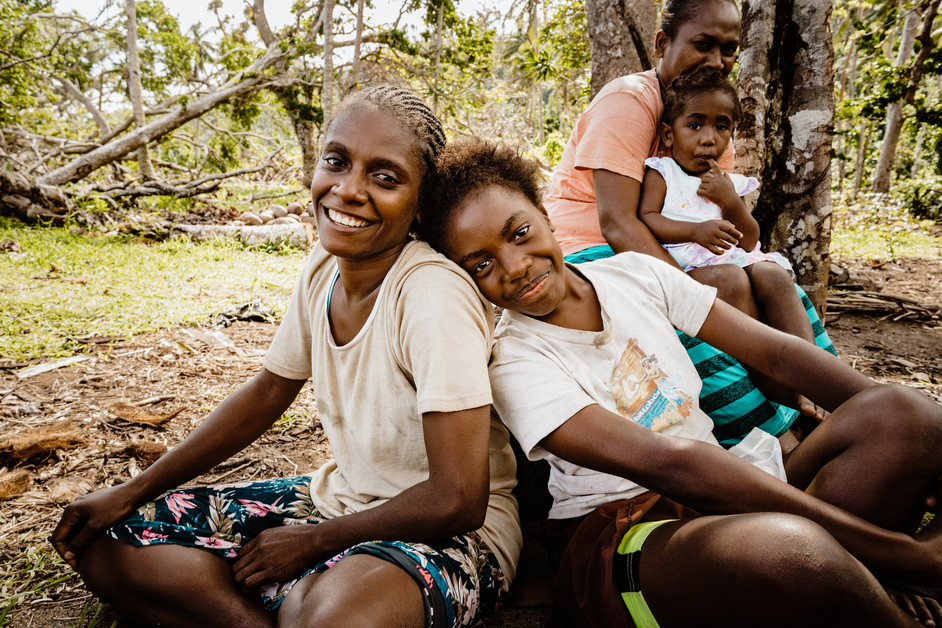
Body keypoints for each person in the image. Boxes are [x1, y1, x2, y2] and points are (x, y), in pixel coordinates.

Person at [417, 139, 942, 628]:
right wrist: (909, 552)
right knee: (792, 554)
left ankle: (862, 581)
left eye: (520, 232)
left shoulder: (633, 275)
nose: (514, 266)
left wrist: (927, 452)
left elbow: (776, 353)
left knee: (904, 416)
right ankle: (886, 578)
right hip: (627, 540)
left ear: (545, 215)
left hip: (729, 487)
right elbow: (670, 462)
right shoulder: (509, 358)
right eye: (481, 263)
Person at [50, 87, 522, 628]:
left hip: (454, 538)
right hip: (339, 502)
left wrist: (313, 543)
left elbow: (458, 499)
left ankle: (303, 601)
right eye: (337, 162)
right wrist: (131, 491)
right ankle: (277, 611)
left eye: (385, 177)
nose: (348, 190)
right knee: (107, 541)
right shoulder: (326, 264)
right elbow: (268, 392)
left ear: (420, 206)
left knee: (332, 619)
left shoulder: (430, 294)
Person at [543, 0, 834, 447]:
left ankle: (821, 399)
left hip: (680, 248)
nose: (717, 60)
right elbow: (620, 224)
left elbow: (728, 220)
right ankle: (775, 433)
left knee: (777, 284)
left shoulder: (711, 118)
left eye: (729, 49)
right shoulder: (630, 101)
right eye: (703, 44)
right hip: (596, 248)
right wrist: (688, 303)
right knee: (717, 299)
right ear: (663, 43)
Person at [639, 68, 820, 415]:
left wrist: (731, 202)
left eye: (721, 127)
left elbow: (750, 240)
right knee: (731, 279)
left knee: (773, 275)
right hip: (688, 262)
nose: (709, 139)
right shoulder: (663, 172)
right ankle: (772, 382)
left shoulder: (727, 181)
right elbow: (648, 218)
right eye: (695, 126)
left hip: (732, 258)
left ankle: (810, 376)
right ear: (668, 133)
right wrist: (695, 231)